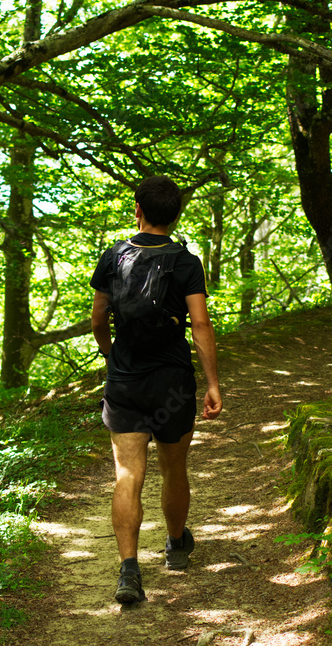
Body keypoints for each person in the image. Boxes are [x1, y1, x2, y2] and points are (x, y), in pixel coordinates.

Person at [90, 175, 222, 605]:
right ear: (176, 216)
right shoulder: (187, 263)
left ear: (138, 210)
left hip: (125, 380)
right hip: (172, 382)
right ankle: (176, 544)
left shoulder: (113, 257)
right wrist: (213, 383)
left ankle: (129, 570)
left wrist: (111, 356)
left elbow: (98, 319)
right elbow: (200, 324)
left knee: (128, 473)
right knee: (173, 467)